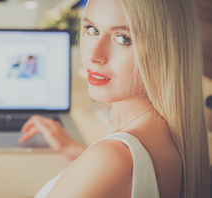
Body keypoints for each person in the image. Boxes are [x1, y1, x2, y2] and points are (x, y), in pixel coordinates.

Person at [19, 0, 210, 197]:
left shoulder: (112, 157)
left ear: (166, 50)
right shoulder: (166, 132)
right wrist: (72, 148)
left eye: (123, 39)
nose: (94, 55)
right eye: (92, 29)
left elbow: (113, 163)